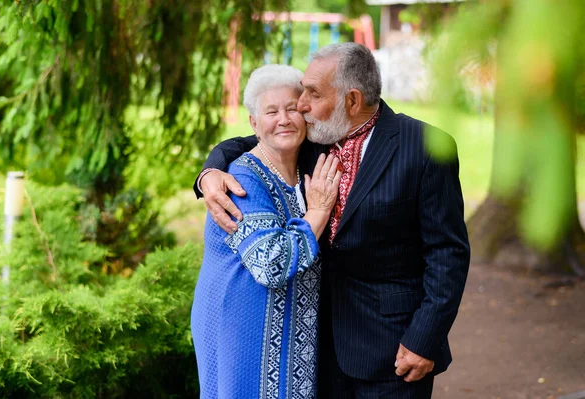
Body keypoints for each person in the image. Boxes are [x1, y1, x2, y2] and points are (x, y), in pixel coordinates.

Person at [195, 43, 471, 398]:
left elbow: (448, 253)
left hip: (393, 350)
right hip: (317, 351)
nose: (302, 106)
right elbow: (258, 136)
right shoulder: (314, 136)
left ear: (352, 101)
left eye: (313, 94)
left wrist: (426, 337)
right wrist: (210, 171)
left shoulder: (426, 147)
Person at [190, 64, 341, 399]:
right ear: (254, 124)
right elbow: (270, 263)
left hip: (289, 332)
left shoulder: (304, 168)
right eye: (271, 111)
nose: (284, 119)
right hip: (242, 330)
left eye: (292, 108)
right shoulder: (241, 180)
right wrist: (317, 212)